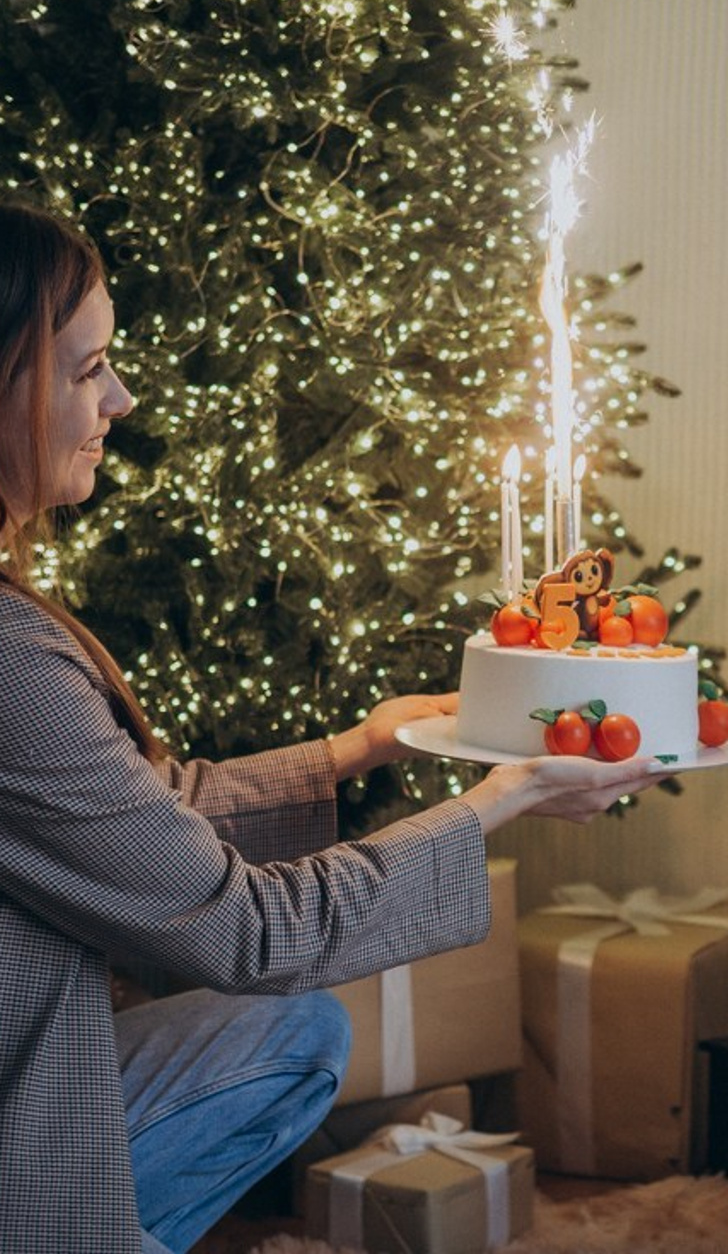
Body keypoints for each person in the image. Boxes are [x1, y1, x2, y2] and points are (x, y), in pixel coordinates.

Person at [0, 200, 668, 1254]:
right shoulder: (8, 659)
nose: (121, 399)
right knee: (285, 995)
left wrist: (360, 747)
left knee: (295, 1030)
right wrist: (498, 800)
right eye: (88, 371)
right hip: (21, 1114)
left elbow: (141, 815)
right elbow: (247, 931)